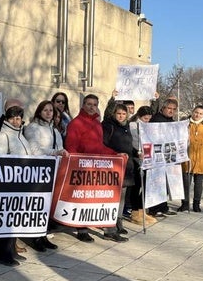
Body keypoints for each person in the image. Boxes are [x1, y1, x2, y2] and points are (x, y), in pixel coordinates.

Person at [64, 94, 120, 242]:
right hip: (83, 168)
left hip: (98, 168)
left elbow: (99, 147)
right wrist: (78, 164)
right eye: (89, 104)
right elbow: (71, 147)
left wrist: (115, 154)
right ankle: (82, 229)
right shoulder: (75, 124)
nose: (91, 107)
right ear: (83, 105)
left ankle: (109, 230)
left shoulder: (97, 124)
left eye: (94, 104)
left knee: (103, 199)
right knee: (83, 200)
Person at [23, 99, 68, 251]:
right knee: (36, 204)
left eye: (51, 110)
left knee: (46, 206)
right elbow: (34, 149)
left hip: (53, 171)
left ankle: (43, 233)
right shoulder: (33, 127)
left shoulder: (54, 130)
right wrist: (54, 153)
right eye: (45, 110)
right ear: (39, 112)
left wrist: (60, 154)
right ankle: (34, 236)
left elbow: (60, 147)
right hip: (38, 171)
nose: (49, 113)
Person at [0, 105, 30, 265]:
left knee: (14, 219)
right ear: (6, 119)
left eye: (18, 118)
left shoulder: (21, 136)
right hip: (8, 185)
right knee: (6, 219)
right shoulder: (2, 136)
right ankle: (2, 253)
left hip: (20, 184)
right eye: (12, 117)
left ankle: (9, 249)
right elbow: (1, 160)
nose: (15, 121)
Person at [102, 104, 136, 242]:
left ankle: (118, 222)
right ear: (114, 114)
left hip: (126, 166)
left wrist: (136, 153)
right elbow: (104, 144)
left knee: (121, 197)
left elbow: (128, 146)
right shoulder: (109, 126)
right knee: (112, 198)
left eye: (123, 114)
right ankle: (109, 228)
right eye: (119, 113)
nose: (121, 116)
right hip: (113, 166)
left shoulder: (127, 127)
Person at [179, 105, 203, 213]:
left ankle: (196, 204)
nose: (198, 115)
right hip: (188, 157)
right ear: (192, 112)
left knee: (199, 183)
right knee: (186, 183)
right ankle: (185, 203)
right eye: (196, 112)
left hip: (202, 158)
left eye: (200, 113)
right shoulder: (186, 124)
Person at [148, 97, 179, 217]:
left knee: (166, 182)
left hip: (168, 155)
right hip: (157, 156)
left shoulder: (172, 121)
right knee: (157, 182)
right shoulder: (156, 119)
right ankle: (154, 209)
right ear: (163, 108)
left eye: (174, 109)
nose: (171, 111)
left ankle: (163, 206)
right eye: (169, 108)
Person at [128, 106, 157, 226]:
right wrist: (137, 152)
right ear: (140, 116)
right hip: (136, 158)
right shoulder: (133, 126)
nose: (147, 121)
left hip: (146, 158)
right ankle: (135, 211)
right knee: (137, 186)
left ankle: (141, 210)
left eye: (149, 119)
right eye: (145, 118)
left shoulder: (147, 125)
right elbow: (133, 142)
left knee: (144, 185)